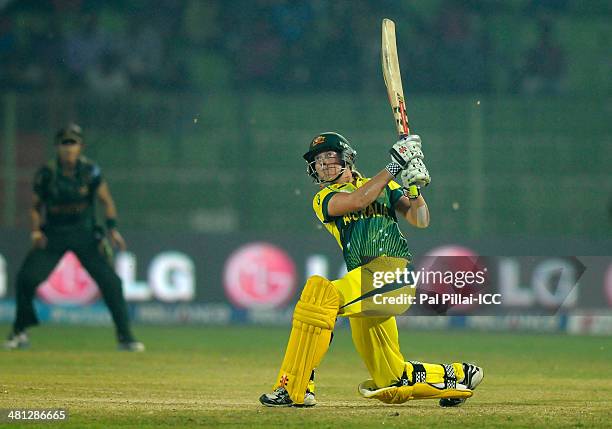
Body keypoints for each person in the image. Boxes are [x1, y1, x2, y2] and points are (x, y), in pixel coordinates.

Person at [259, 132, 483, 407]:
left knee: (319, 294)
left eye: (329, 156)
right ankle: (458, 375)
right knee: (391, 379)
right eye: (317, 160)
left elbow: (420, 219)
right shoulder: (324, 198)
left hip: (392, 274)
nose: (323, 164)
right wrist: (395, 165)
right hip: (365, 286)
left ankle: (294, 385)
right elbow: (357, 201)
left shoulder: (382, 187)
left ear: (347, 158)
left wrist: (414, 188)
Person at [4, 123, 144, 352]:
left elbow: (106, 201)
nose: (69, 149)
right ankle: (19, 332)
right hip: (54, 234)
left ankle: (125, 336)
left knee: (112, 283)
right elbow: (34, 207)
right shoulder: (47, 173)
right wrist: (36, 231)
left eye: (73, 143)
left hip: (85, 234)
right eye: (64, 144)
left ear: (81, 147)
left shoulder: (90, 171)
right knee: (26, 279)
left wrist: (112, 229)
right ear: (57, 147)